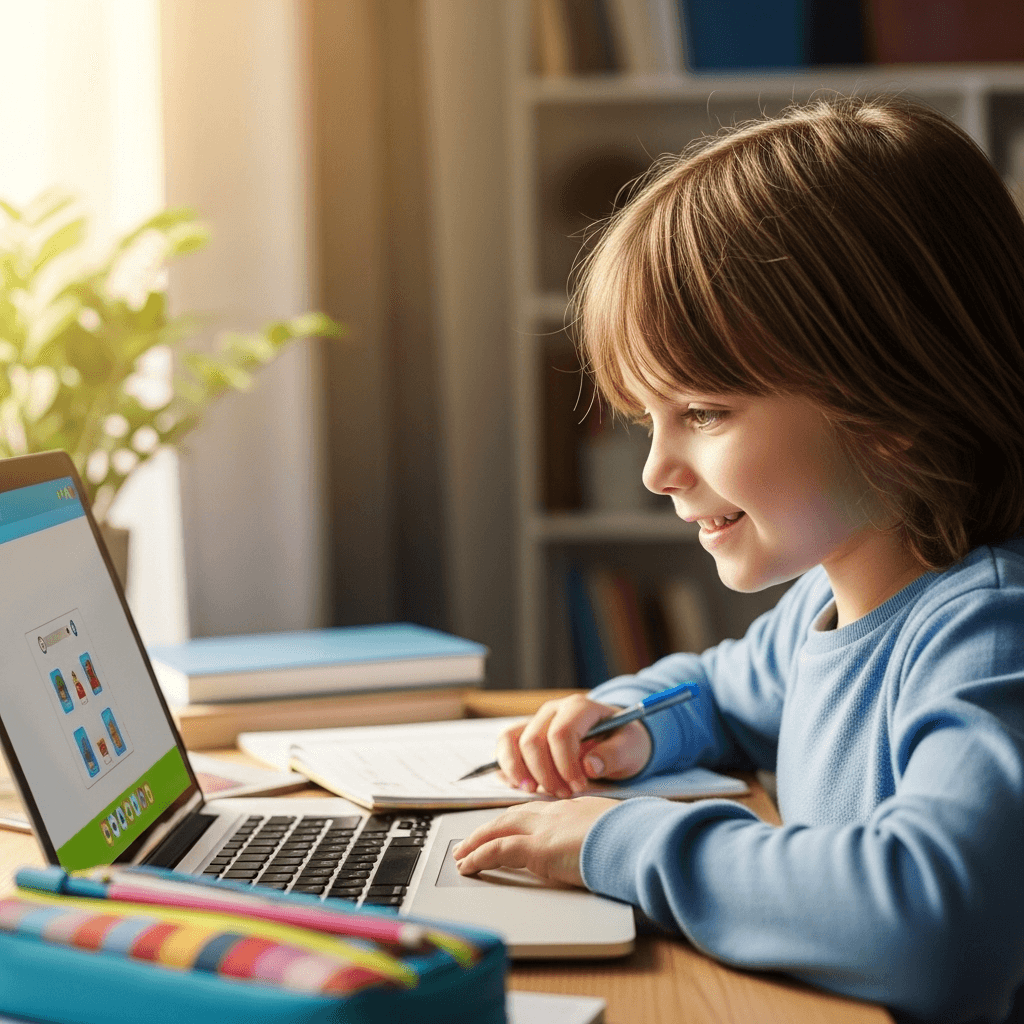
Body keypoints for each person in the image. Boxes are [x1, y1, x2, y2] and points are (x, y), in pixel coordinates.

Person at [452, 95, 1024, 1023]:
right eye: (649, 420)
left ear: (897, 407)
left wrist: (620, 842)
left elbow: (935, 926)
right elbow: (721, 693)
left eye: (705, 413)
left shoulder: (988, 635)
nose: (656, 470)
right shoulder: (825, 603)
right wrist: (631, 723)